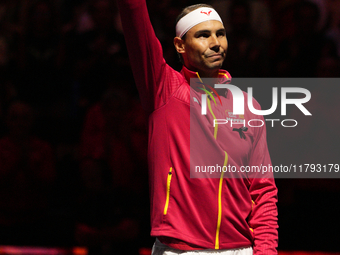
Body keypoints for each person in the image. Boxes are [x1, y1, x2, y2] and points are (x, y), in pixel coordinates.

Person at [117, 0, 278, 254]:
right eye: (203, 35)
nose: (215, 43)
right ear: (180, 45)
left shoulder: (248, 106)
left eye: (220, 34)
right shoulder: (163, 90)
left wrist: (266, 251)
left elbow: (263, 190)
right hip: (179, 248)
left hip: (240, 249)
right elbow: (134, 18)